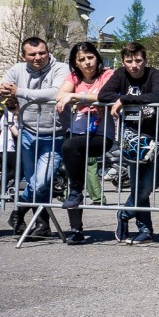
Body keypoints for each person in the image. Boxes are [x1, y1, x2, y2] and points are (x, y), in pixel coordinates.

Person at [0, 36, 67, 237]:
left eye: (42, 52)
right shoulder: (17, 69)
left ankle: (18, 212)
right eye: (32, 54)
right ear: (24, 56)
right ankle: (42, 225)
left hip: (54, 134)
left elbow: (55, 93)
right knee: (35, 182)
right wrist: (1, 91)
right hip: (26, 133)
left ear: (48, 51)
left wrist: (19, 91)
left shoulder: (61, 68)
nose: (38, 57)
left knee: (40, 183)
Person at [98, 41, 159, 244]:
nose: (134, 65)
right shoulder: (120, 75)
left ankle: (124, 213)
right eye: (129, 61)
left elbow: (158, 96)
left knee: (154, 180)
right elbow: (103, 95)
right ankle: (145, 230)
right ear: (123, 62)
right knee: (138, 186)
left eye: (138, 60)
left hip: (155, 136)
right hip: (132, 139)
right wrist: (126, 98)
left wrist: (125, 99)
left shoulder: (155, 75)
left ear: (145, 60)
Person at [55, 42, 116, 243]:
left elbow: (106, 95)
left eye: (90, 57)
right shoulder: (73, 77)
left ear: (97, 57)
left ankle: (75, 194)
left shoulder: (108, 74)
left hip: (101, 134)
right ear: (76, 63)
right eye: (81, 59)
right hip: (78, 131)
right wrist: (78, 97)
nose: (87, 62)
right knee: (74, 183)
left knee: (68, 146)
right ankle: (76, 230)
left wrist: (77, 96)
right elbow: (60, 95)